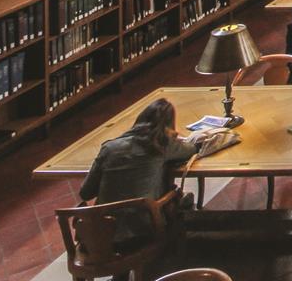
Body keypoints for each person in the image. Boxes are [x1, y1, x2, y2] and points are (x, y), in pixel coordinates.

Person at [79, 98, 226, 243]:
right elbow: (192, 149)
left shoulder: (109, 148)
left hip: (100, 233)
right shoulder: (160, 144)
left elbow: (85, 193)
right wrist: (173, 137)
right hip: (143, 230)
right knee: (177, 195)